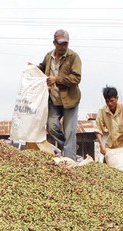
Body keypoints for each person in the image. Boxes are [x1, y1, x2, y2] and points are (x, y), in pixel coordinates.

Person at [37, 29, 82, 160]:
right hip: (54, 100)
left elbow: (76, 78)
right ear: (54, 43)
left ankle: (70, 161)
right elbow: (41, 67)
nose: (63, 47)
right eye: (60, 44)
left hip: (70, 101)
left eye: (65, 44)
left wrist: (57, 79)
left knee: (70, 131)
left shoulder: (73, 57)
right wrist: (32, 69)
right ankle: (71, 146)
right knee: (51, 127)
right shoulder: (48, 57)